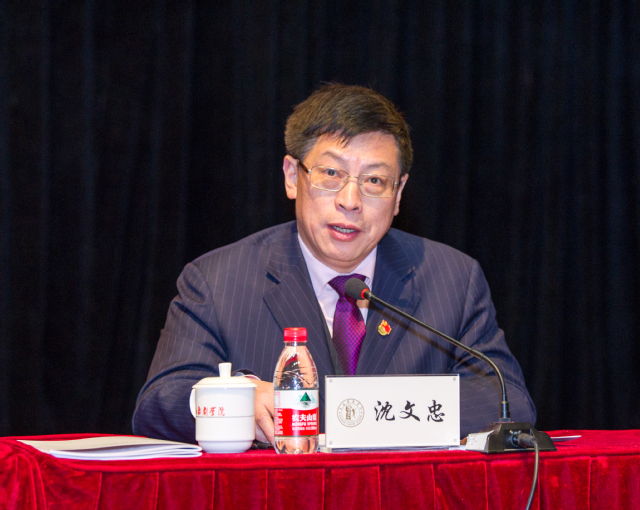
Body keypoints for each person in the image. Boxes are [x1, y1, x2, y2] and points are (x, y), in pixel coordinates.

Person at [132, 84, 536, 444]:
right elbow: (159, 403)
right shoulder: (217, 281)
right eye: (331, 173)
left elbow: (507, 401)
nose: (350, 201)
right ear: (292, 177)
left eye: (374, 181)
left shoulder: (452, 279)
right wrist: (235, 398)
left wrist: (344, 416)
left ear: (399, 194)